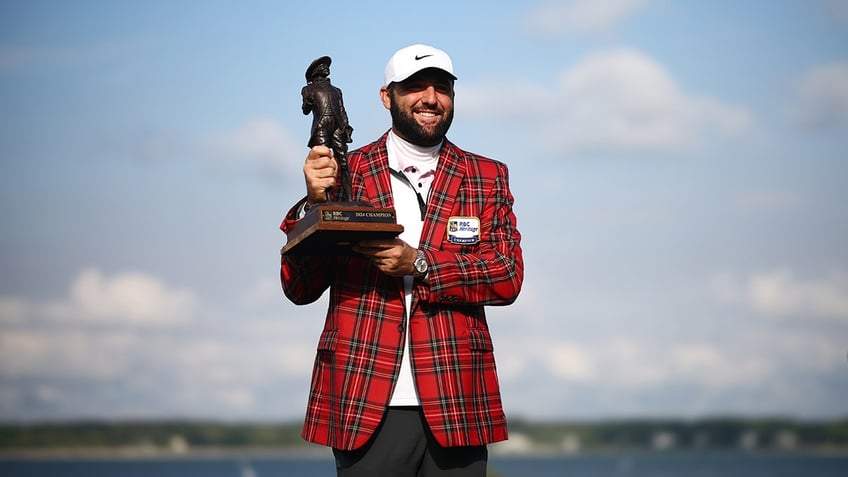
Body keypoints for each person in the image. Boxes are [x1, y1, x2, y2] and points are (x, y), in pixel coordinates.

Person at [280, 44, 524, 477]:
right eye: (415, 86)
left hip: (456, 403)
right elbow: (299, 287)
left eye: (442, 88)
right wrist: (314, 204)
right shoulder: (343, 172)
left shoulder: (488, 177)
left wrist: (421, 263)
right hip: (363, 400)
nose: (430, 98)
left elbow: (506, 275)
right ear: (386, 96)